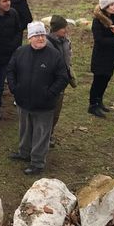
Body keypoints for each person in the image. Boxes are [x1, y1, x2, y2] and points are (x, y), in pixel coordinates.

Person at [7, 22, 70, 175]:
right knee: (25, 129)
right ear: (30, 38)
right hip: (23, 102)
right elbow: (11, 70)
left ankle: (37, 162)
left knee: (41, 134)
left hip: (45, 105)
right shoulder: (20, 52)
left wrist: (50, 93)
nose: (40, 38)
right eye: (36, 35)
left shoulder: (54, 55)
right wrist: (14, 89)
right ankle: (24, 153)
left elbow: (63, 78)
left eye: (42, 35)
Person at [89, 0, 114, 118]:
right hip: (101, 57)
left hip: (112, 56)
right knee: (98, 81)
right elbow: (99, 40)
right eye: (110, 5)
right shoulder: (97, 21)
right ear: (104, 8)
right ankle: (92, 105)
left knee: (106, 79)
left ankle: (99, 101)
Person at [46, 15, 77, 146]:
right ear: (56, 29)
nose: (66, 31)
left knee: (56, 112)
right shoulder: (47, 44)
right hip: (51, 83)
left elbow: (68, 58)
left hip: (62, 82)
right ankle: (43, 137)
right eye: (64, 28)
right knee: (48, 112)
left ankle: (49, 134)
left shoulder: (66, 40)